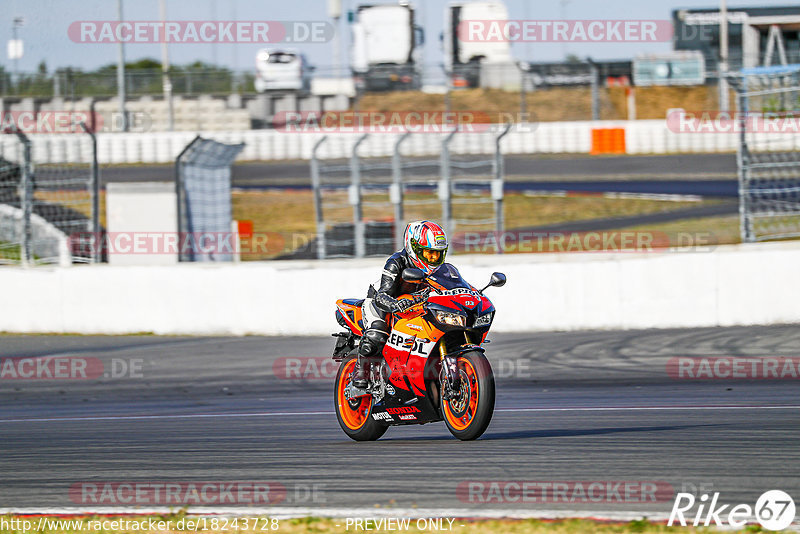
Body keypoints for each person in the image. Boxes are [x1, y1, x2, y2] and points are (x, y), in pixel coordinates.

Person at [352, 220, 449, 388]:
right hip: (381, 302)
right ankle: (361, 372)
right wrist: (396, 305)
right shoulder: (396, 262)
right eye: (429, 254)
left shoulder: (441, 269)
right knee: (377, 333)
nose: (433, 259)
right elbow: (382, 296)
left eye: (437, 254)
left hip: (412, 304)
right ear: (414, 248)